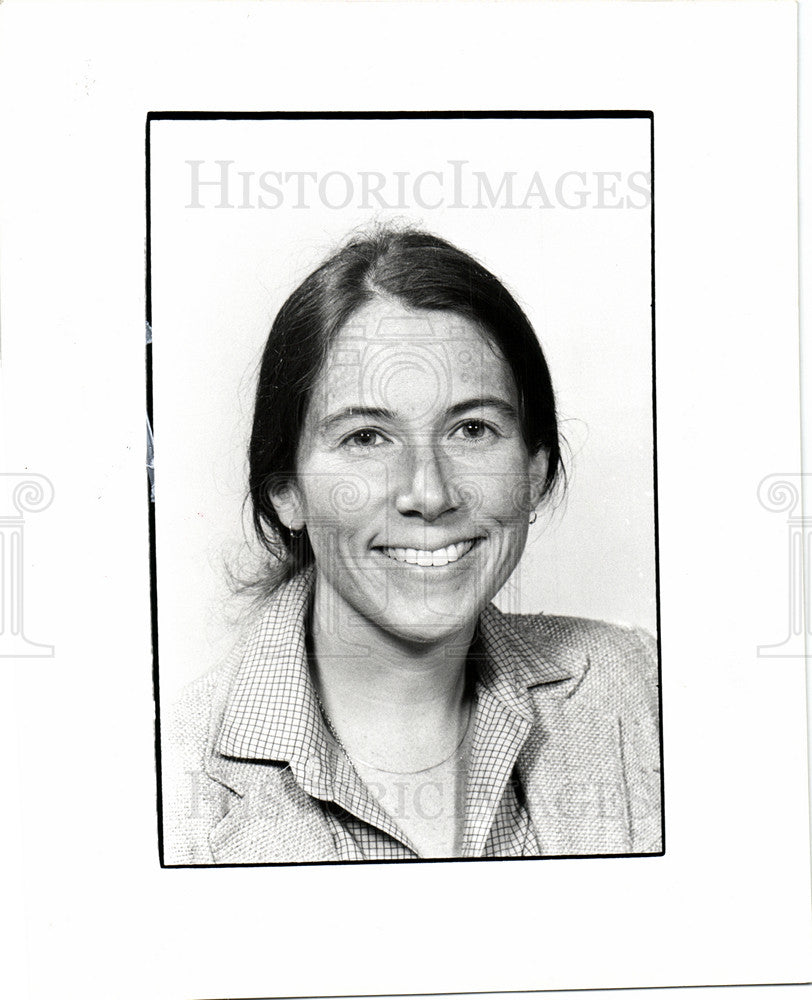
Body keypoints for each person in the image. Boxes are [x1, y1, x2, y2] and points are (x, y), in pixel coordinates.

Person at [162, 226, 661, 864]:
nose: (429, 493)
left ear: (535, 471)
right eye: (367, 437)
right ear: (285, 489)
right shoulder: (166, 782)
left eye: (472, 429)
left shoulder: (644, 690)